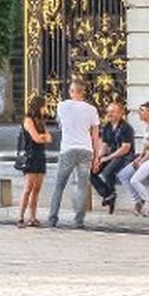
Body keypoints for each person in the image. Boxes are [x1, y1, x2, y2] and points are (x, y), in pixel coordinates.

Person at [47, 79, 101, 229]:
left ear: (72, 91)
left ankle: (52, 218)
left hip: (68, 149)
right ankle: (78, 220)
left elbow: (60, 124)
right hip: (86, 150)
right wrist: (97, 157)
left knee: (59, 186)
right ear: (83, 92)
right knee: (82, 186)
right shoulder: (92, 110)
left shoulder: (62, 106)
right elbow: (95, 136)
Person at [118, 102, 149, 217]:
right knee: (123, 175)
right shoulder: (147, 128)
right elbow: (145, 148)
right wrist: (138, 159)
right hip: (147, 158)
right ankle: (138, 201)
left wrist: (142, 161)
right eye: (139, 110)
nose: (139, 113)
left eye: (142, 110)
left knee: (134, 180)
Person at [89, 101, 135, 214]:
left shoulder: (126, 128)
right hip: (111, 155)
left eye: (113, 112)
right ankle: (108, 194)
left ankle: (110, 195)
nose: (109, 114)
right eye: (108, 111)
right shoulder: (107, 127)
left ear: (120, 113)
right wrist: (98, 159)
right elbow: (105, 145)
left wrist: (108, 158)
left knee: (107, 172)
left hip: (125, 156)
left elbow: (125, 148)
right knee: (90, 171)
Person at [15, 93, 52, 228]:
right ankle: (20, 217)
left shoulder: (41, 121)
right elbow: (36, 138)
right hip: (31, 156)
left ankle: (33, 217)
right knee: (28, 188)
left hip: (40, 155)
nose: (46, 109)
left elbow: (49, 138)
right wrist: (43, 137)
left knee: (37, 189)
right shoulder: (28, 120)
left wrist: (43, 137)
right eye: (44, 106)